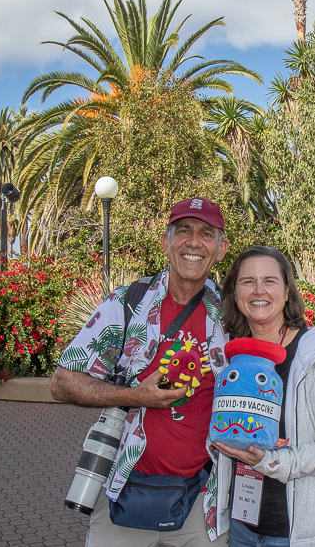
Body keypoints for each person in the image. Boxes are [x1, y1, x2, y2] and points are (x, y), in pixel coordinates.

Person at [50, 197, 231, 546]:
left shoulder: (231, 314)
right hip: (124, 489)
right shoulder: (128, 303)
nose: (194, 242)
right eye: (183, 231)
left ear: (220, 249)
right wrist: (134, 396)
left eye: (206, 234)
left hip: (202, 499)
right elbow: (62, 382)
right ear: (166, 242)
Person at [213, 246, 315, 547]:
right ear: (235, 292)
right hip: (241, 529)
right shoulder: (231, 355)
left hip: (299, 535)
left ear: (288, 291)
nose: (258, 290)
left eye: (270, 280)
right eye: (247, 281)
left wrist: (271, 461)